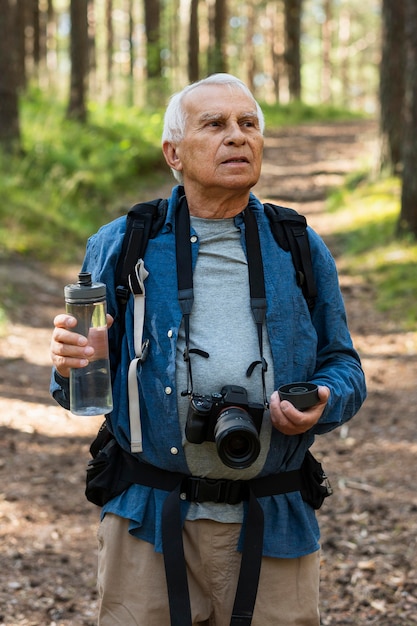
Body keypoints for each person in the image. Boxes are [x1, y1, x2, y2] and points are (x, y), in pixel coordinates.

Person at [50, 73, 366, 626]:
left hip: (274, 518)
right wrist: (72, 365)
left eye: (249, 124)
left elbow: (344, 365)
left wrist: (324, 396)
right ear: (173, 151)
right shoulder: (124, 243)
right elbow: (81, 386)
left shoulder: (297, 243)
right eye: (215, 124)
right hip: (148, 518)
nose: (238, 137)